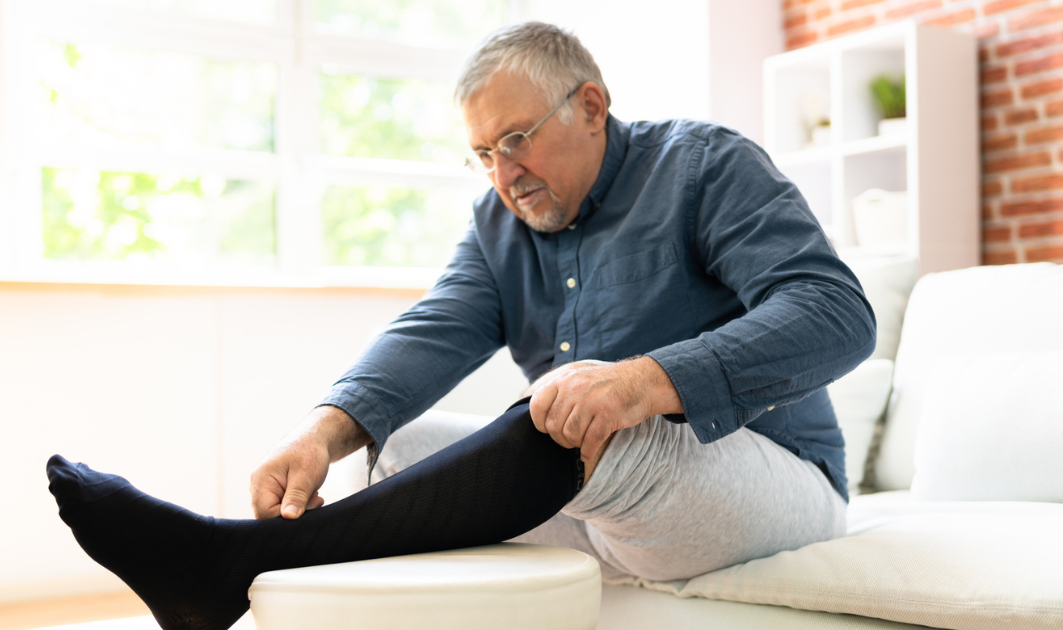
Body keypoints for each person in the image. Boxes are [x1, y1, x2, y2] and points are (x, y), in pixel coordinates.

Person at [46, 21, 875, 630]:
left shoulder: (703, 166)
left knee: (585, 419)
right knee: (402, 451)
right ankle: (222, 567)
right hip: (607, 502)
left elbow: (838, 315)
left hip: (773, 480)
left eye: (517, 140)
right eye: (482, 153)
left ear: (590, 105)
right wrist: (319, 435)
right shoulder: (498, 222)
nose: (503, 174)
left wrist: (638, 384)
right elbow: (431, 330)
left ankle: (224, 560)